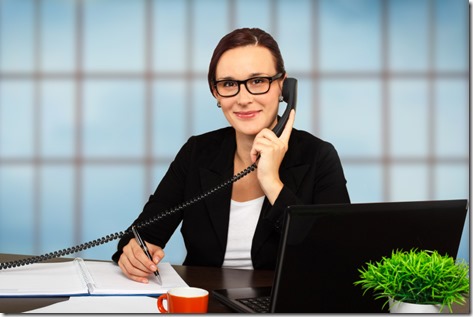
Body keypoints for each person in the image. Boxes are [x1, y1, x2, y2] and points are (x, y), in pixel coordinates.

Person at [112, 27, 350, 283]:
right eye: (228, 84)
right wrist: (134, 253)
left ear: (283, 86)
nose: (243, 98)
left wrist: (271, 182)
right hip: (205, 304)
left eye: (258, 81)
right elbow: (141, 235)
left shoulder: (318, 156)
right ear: (216, 93)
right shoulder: (197, 153)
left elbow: (338, 259)